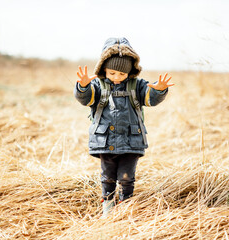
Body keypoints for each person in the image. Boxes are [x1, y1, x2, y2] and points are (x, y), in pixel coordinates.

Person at [74, 37, 174, 217]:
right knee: (108, 177)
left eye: (122, 74)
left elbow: (150, 98)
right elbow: (86, 98)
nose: (117, 77)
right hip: (105, 142)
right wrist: (83, 87)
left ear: (130, 71)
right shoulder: (98, 85)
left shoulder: (137, 85)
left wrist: (159, 90)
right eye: (112, 73)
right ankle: (108, 207)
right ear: (104, 68)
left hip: (131, 142)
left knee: (127, 178)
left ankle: (126, 205)